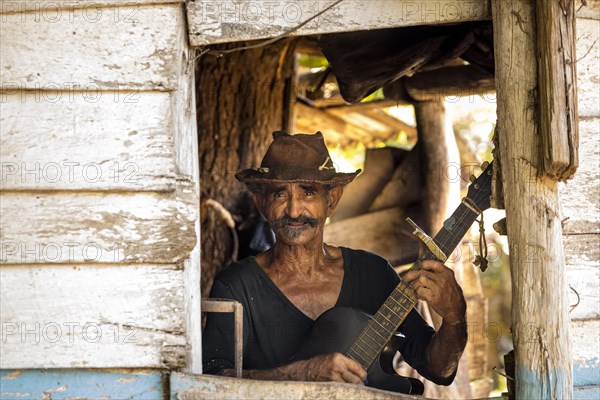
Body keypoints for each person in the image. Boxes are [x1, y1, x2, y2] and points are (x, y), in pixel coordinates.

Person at [202, 131, 467, 393]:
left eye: (308, 193)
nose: (294, 211)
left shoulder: (373, 274)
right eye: (280, 195)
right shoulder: (236, 286)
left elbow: (438, 369)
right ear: (261, 203)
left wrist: (455, 318)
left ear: (332, 200)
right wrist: (301, 374)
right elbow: (210, 385)